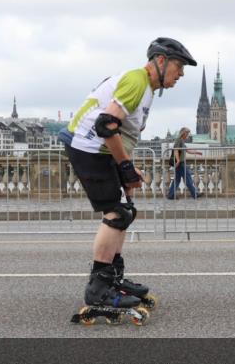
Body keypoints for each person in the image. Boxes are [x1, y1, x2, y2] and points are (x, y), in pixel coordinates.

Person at [60, 37, 197, 321]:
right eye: (179, 66)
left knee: (126, 211)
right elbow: (105, 124)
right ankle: (98, 288)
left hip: (99, 150)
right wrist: (124, 166)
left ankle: (112, 278)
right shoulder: (137, 81)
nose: (181, 74)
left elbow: (120, 132)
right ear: (161, 61)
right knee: (117, 213)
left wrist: (128, 167)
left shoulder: (144, 88)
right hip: (88, 148)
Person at [167, 127, 203, 199]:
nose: (188, 135)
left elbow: (187, 150)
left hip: (180, 163)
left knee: (177, 180)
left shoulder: (182, 141)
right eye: (187, 133)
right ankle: (195, 194)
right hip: (180, 163)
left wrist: (197, 152)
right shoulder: (179, 140)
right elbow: (176, 150)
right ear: (183, 133)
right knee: (188, 178)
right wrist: (178, 160)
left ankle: (170, 195)